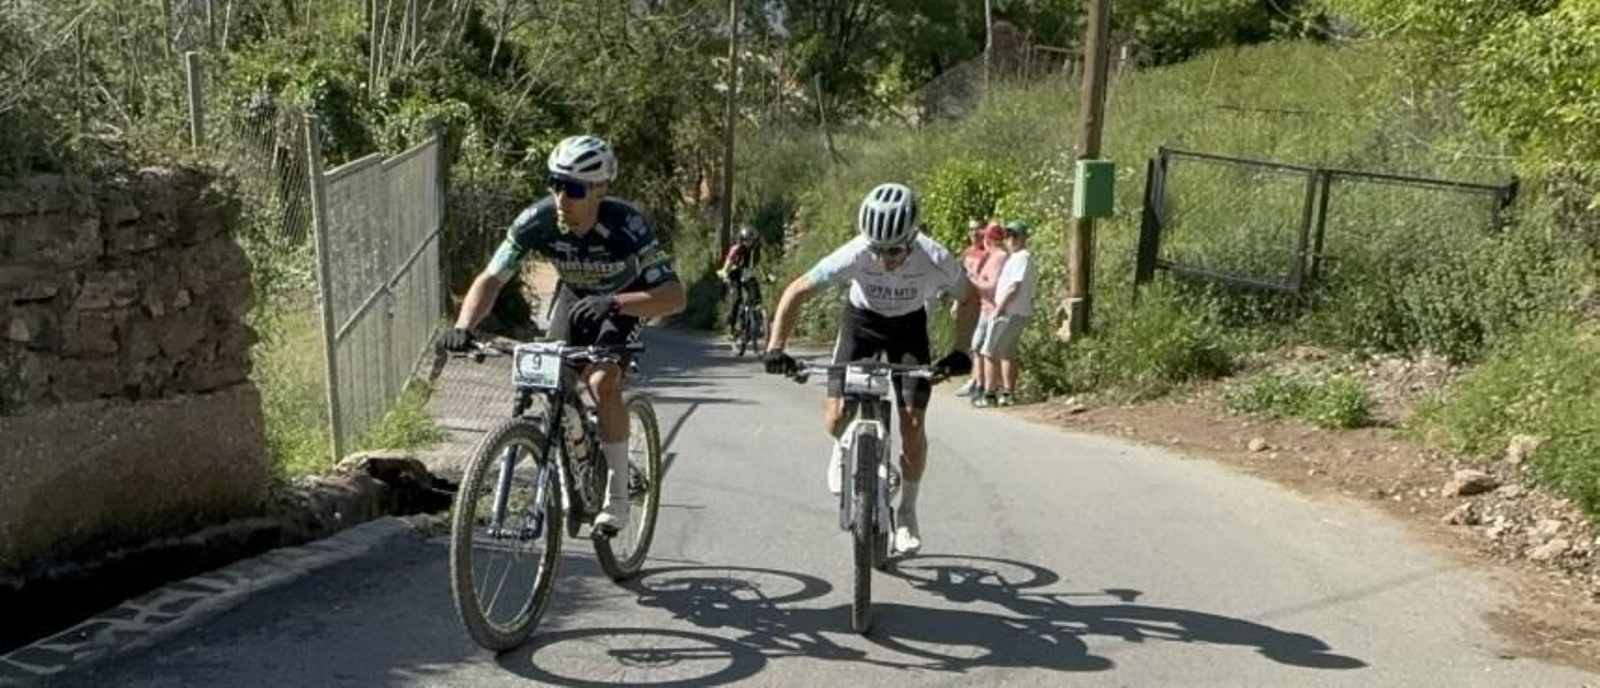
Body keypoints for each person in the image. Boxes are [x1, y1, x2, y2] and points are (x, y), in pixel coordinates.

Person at [439, 135, 686, 535]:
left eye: (572, 188)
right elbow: (492, 278)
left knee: (603, 381)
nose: (560, 197)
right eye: (554, 183)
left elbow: (673, 297)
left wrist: (618, 302)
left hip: (623, 301)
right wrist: (463, 327)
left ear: (599, 190)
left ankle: (618, 496)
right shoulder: (537, 220)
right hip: (573, 299)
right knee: (553, 379)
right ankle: (580, 452)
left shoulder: (626, 224)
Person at [760, 182, 978, 555]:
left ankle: (907, 512)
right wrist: (776, 347)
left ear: (912, 237)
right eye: (877, 250)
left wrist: (961, 350)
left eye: (893, 250)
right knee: (835, 419)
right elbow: (797, 290)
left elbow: (970, 297)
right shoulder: (856, 252)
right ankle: (844, 446)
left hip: (909, 330)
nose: (884, 259)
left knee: (912, 424)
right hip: (861, 324)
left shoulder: (935, 257)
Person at [975, 220, 1038, 408]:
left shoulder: (1022, 257)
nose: (1010, 239)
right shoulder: (1017, 257)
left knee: (989, 351)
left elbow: (1014, 286)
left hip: (1008, 311)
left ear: (1023, 238)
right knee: (1007, 352)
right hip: (1016, 311)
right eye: (1008, 235)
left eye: (1014, 235)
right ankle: (1007, 393)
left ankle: (989, 394)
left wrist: (999, 307)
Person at [967, 222, 1010, 406]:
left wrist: (973, 278)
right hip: (985, 308)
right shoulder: (991, 256)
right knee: (978, 346)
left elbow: (991, 287)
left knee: (987, 349)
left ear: (990, 239)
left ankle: (988, 389)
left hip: (992, 309)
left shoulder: (999, 257)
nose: (982, 239)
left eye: (985, 236)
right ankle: (980, 383)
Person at [719, 225, 763, 336]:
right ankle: (732, 326)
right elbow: (728, 264)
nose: (749, 242)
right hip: (734, 274)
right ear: (742, 239)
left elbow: (759, 265)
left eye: (752, 240)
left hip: (746, 274)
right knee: (737, 299)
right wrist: (725, 274)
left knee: (757, 295)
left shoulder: (756, 250)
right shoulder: (737, 249)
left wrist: (766, 276)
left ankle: (757, 322)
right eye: (747, 240)